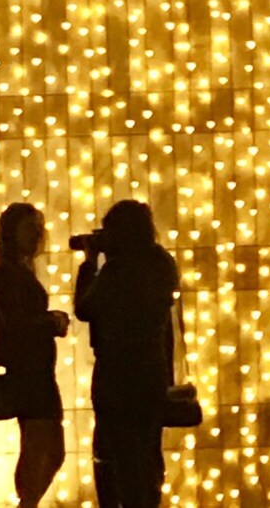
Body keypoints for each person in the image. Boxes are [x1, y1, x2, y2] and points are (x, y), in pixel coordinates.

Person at [75, 200, 178, 508]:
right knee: (147, 448)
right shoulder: (161, 262)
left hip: (118, 371)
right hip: (152, 367)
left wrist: (89, 263)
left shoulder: (117, 271)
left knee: (120, 453)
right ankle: (149, 500)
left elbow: (84, 309)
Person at [0, 203, 69, 507]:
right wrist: (49, 321)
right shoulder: (8, 272)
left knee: (45, 447)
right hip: (29, 372)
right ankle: (28, 502)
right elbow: (13, 324)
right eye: (28, 228)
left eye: (38, 228)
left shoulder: (15, 268)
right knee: (43, 447)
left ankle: (28, 501)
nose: (36, 235)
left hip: (36, 370)